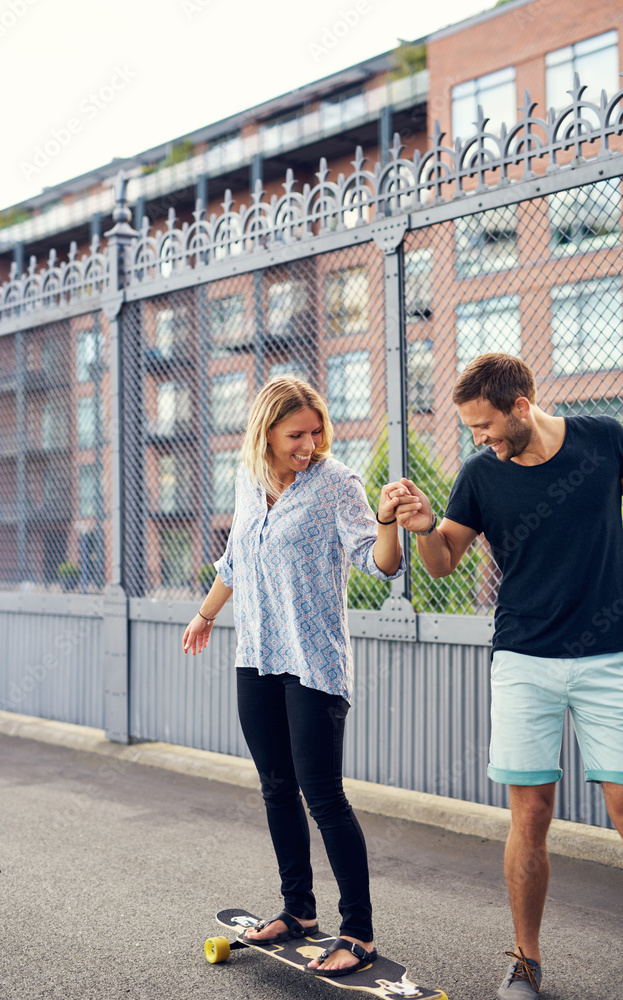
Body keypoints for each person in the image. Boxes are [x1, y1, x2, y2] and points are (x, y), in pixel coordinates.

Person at [394, 353, 623, 998]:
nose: (480, 439)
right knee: (530, 814)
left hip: (610, 655)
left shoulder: (605, 440)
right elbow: (443, 564)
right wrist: (423, 530)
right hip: (523, 658)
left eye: (486, 425)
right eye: (472, 430)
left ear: (522, 406)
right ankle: (526, 958)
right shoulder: (479, 476)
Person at [182, 375, 406, 976]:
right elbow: (234, 561)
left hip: (314, 664)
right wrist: (206, 615)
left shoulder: (336, 484)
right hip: (255, 658)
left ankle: (358, 931)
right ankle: (298, 910)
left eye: (315, 432)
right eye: (295, 434)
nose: (308, 444)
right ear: (266, 432)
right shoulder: (250, 478)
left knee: (323, 797)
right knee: (276, 787)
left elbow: (379, 564)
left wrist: (386, 520)